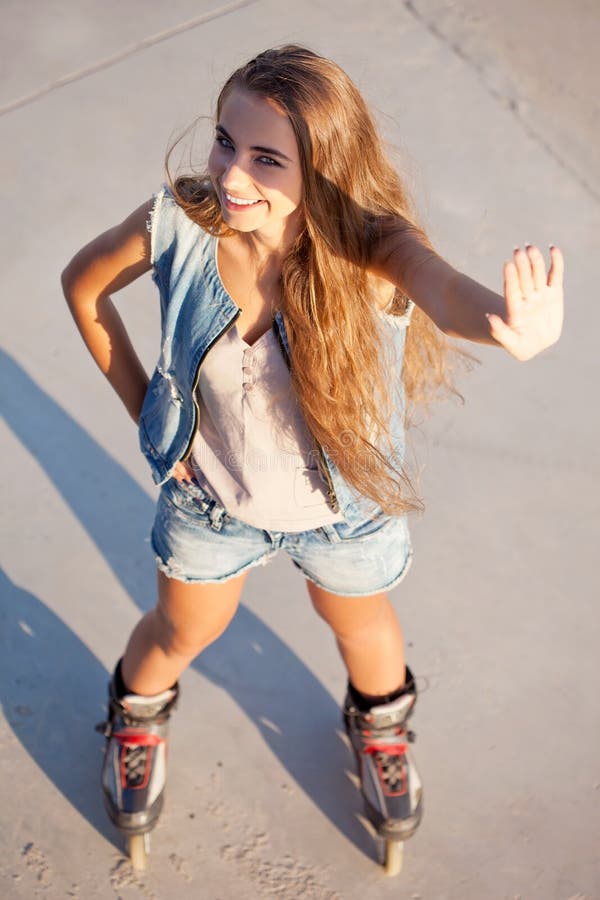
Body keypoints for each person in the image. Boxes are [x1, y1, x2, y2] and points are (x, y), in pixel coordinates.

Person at [61, 45, 564, 871]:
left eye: (266, 158)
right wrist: (153, 416)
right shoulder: (181, 225)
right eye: (225, 140)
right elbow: (84, 289)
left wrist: (504, 322)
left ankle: (381, 727)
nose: (231, 175)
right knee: (182, 630)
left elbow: (444, 293)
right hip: (212, 506)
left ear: (321, 169)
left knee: (362, 627)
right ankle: (135, 713)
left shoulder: (371, 247)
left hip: (345, 514)